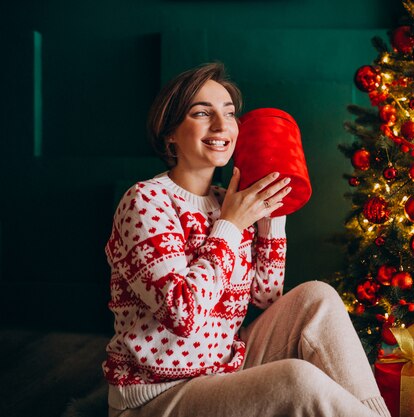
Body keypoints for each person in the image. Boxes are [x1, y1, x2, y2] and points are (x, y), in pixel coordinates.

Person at [103, 62, 391, 417]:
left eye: (229, 113)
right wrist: (230, 226)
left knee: (318, 296)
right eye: (201, 113)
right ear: (170, 134)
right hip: (156, 395)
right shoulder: (145, 201)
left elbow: (265, 297)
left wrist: (271, 217)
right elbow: (181, 313)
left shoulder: (231, 201)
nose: (223, 126)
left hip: (222, 369)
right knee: (296, 379)